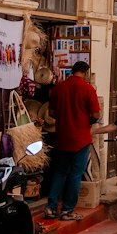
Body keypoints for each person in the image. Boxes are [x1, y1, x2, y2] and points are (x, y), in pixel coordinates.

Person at [44, 61, 101, 221]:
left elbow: (52, 113)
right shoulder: (88, 89)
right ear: (85, 73)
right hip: (80, 139)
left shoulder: (58, 88)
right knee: (75, 174)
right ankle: (67, 210)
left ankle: (51, 207)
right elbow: (96, 114)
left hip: (62, 137)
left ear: (72, 71)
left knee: (60, 172)